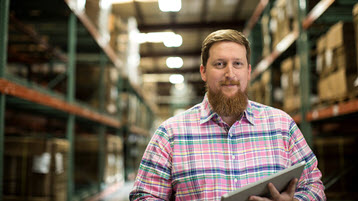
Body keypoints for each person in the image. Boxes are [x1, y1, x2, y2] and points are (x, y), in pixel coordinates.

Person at [129, 29, 326, 201]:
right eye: (220, 64)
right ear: (204, 72)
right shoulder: (170, 134)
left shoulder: (282, 126)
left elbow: (314, 185)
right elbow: (144, 195)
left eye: (238, 64)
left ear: (248, 72)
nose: (230, 73)